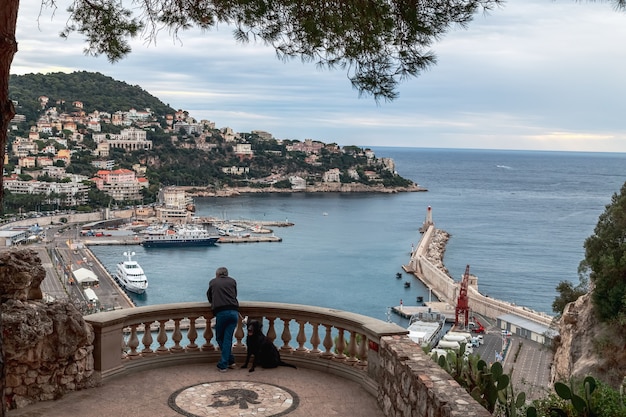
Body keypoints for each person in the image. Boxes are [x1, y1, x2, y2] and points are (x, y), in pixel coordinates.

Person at [207, 266, 239, 372]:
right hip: (234, 312)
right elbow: (235, 295)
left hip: (222, 312)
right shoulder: (233, 281)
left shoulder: (213, 282)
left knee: (220, 338)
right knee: (228, 339)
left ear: (217, 274)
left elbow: (209, 296)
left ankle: (223, 364)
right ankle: (230, 360)